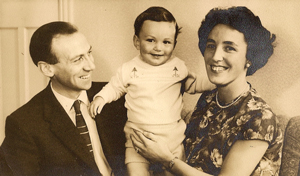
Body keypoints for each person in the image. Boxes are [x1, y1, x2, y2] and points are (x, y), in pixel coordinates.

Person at [131, 6, 283, 176]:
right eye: (211, 45)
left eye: (229, 48)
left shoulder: (260, 117)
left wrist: (166, 159)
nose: (215, 56)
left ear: (250, 57)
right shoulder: (210, 98)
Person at [89, 6, 214, 176]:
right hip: (137, 140)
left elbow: (192, 84)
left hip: (172, 140)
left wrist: (215, 83)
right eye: (150, 40)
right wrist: (101, 98)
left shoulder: (177, 67)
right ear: (137, 41)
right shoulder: (129, 69)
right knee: (136, 171)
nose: (158, 48)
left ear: (174, 44)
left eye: (166, 42)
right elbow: (115, 87)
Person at [0, 21, 127, 176]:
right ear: (47, 69)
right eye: (78, 59)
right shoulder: (24, 124)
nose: (91, 66)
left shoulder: (116, 97)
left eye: (89, 53)